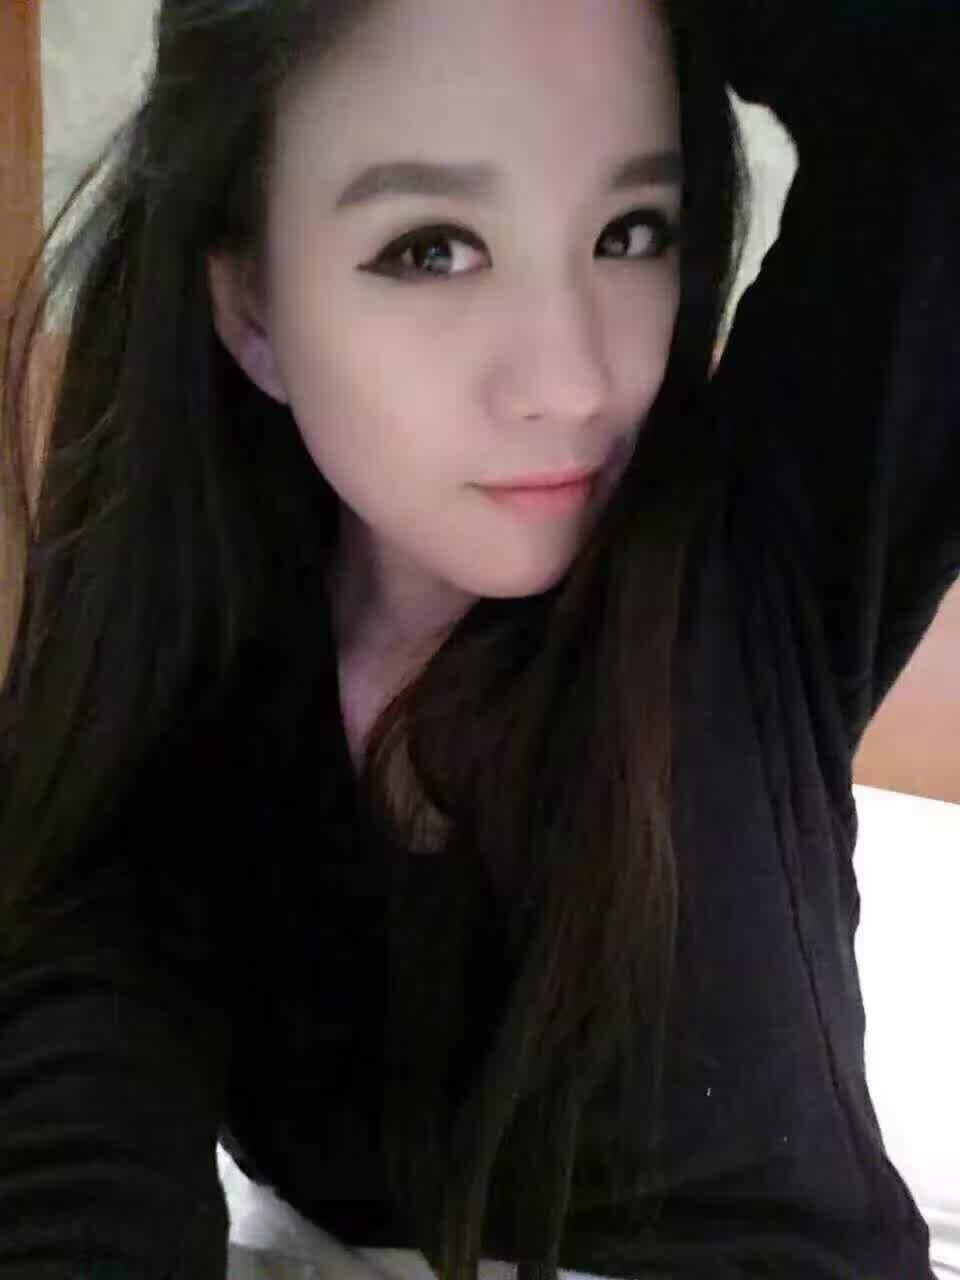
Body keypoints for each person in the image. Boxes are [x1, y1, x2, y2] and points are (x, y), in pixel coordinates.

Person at [0, 0, 957, 1276]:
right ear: (253, 310)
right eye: (433, 248)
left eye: (631, 231)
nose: (572, 381)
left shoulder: (758, 551)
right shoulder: (180, 685)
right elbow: (73, 1099)